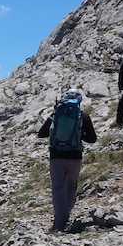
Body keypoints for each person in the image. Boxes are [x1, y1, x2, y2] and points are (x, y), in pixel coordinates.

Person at [38, 88, 97, 232]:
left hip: (56, 156)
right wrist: (78, 135)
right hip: (75, 156)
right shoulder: (83, 116)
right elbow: (92, 139)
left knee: (58, 188)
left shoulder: (56, 114)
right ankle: (66, 214)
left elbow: (41, 134)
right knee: (71, 185)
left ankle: (60, 222)